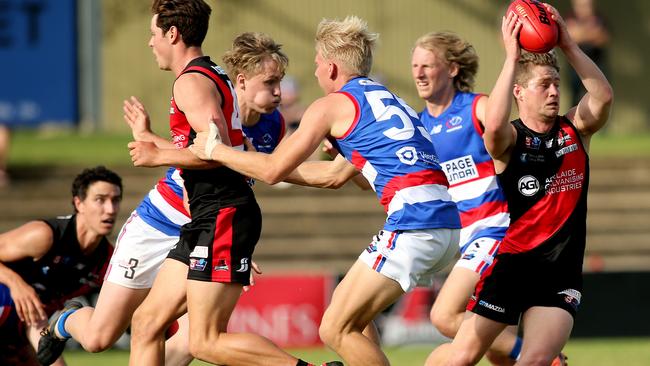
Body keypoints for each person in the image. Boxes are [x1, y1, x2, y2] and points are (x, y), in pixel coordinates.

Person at [37, 21, 319, 366]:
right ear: (241, 82)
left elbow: (248, 176)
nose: (278, 93)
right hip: (161, 223)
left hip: (209, 226)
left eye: (279, 83)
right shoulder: (210, 100)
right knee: (100, 337)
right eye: (270, 83)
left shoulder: (271, 125)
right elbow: (195, 168)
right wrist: (222, 238)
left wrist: (231, 244)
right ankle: (65, 320)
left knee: (185, 342)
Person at [191, 16, 461, 366]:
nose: (316, 72)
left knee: (334, 329)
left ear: (331, 67)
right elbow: (340, 177)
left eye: (317, 64)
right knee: (354, 322)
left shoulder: (330, 106)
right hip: (445, 222)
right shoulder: (392, 102)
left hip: (414, 222)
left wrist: (216, 151)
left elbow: (274, 170)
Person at [440, 4, 613, 365]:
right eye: (543, 85)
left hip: (560, 274)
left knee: (535, 361)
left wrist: (568, 46)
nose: (553, 92)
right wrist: (511, 58)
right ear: (519, 92)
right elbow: (494, 126)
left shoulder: (575, 130)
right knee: (463, 356)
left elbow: (602, 98)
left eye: (555, 83)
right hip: (512, 268)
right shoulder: (509, 140)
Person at [410, 31, 521, 366]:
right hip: (468, 237)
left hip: (497, 229)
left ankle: (535, 353)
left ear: (453, 69)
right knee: (492, 351)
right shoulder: (417, 128)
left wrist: (512, 59)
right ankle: (530, 356)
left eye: (428, 65)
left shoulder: (477, 107)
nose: (418, 73)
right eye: (414, 66)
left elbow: (507, 132)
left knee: (444, 316)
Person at [0, 166, 122, 366]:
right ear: (79, 203)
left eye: (115, 200)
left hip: (32, 324)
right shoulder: (44, 235)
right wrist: (16, 283)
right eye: (100, 199)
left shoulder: (108, 261)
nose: (110, 209)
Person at [565, 0, 610, 107]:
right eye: (581, 6)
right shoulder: (569, 18)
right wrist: (591, 32)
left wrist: (580, 32)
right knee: (576, 101)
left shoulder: (599, 19)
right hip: (575, 69)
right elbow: (570, 37)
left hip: (597, 68)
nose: (585, 9)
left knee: (600, 99)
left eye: (587, 5)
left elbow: (603, 38)